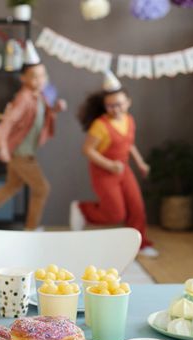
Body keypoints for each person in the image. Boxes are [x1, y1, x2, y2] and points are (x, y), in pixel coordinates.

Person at [0, 41, 66, 232]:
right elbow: (8, 122)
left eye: (43, 75)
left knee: (11, 187)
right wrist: (1, 145)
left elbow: (41, 116)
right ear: (23, 78)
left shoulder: (39, 96)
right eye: (34, 77)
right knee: (42, 189)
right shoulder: (24, 98)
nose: (40, 80)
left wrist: (55, 109)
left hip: (25, 151)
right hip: (20, 153)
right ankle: (31, 229)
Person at [69, 71, 158, 257]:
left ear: (128, 102)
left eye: (118, 104)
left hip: (123, 170)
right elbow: (87, 150)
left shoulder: (129, 120)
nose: (115, 109)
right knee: (115, 214)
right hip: (104, 172)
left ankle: (138, 244)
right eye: (110, 106)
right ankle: (82, 209)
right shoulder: (100, 125)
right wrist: (109, 165)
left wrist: (140, 163)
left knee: (137, 208)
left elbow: (128, 144)